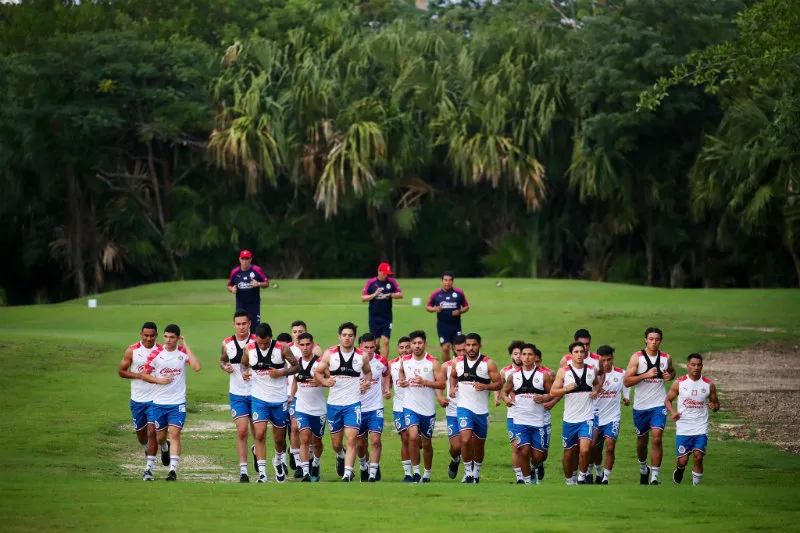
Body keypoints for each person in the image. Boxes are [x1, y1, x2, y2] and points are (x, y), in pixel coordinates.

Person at [239, 322, 300, 483]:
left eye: (265, 343)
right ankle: (262, 474)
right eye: (260, 343)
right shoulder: (249, 349)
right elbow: (243, 366)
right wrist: (244, 373)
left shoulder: (282, 348)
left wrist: (282, 372)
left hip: (279, 399)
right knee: (259, 434)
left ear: (271, 338)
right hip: (259, 398)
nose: (263, 346)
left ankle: (278, 461)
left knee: (279, 439)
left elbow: (297, 367)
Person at [314, 322, 372, 482]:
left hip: (353, 404)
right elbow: (318, 373)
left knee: (351, 439)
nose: (347, 338)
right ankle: (340, 455)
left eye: (350, 335)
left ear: (354, 337)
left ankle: (347, 474)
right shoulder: (330, 354)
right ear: (339, 336)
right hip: (334, 404)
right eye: (344, 335)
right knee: (336, 443)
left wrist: (366, 382)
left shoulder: (362, 356)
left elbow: (368, 372)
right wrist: (325, 382)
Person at [144, 324, 202, 481]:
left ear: (177, 338)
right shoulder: (156, 353)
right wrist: (158, 380)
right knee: (160, 437)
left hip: (177, 403)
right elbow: (144, 374)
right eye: (166, 336)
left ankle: (172, 471)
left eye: (172, 337)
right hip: (159, 402)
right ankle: (164, 447)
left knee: (175, 433)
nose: (168, 340)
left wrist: (186, 346)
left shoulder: (182, 353)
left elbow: (197, 367)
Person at [118, 322, 172, 481]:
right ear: (141, 334)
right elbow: (121, 371)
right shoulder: (132, 350)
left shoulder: (162, 351)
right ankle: (164, 446)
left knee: (152, 432)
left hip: (156, 399)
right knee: (142, 438)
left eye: (152, 336)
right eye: (146, 335)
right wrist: (139, 375)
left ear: (156, 335)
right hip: (137, 400)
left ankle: (148, 469)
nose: (149, 339)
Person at [623, 327, 675, 485]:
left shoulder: (666, 357)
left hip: (659, 405)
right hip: (641, 407)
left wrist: (670, 376)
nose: (654, 342)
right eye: (651, 339)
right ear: (645, 339)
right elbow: (627, 381)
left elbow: (672, 372)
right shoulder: (637, 358)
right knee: (642, 441)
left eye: (657, 339)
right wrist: (645, 375)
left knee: (657, 438)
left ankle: (654, 478)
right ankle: (643, 467)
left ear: (661, 340)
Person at [451, 332, 503, 483]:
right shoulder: (457, 362)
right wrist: (452, 388)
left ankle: (476, 473)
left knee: (479, 444)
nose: (471, 348)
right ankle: (468, 473)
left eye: (474, 345)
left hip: (481, 411)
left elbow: (499, 383)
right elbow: (453, 376)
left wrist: (485, 386)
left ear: (480, 346)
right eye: (468, 345)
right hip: (463, 408)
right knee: (465, 440)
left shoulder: (488, 363)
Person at [549, 341, 601, 485]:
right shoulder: (563, 371)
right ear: (571, 355)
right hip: (570, 419)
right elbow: (553, 392)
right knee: (568, 453)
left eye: (581, 352)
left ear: (585, 354)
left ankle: (581, 478)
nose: (579, 354)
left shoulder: (592, 370)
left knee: (585, 450)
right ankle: (569, 481)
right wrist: (566, 389)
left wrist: (596, 392)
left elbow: (597, 384)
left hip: (587, 418)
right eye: (576, 352)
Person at [501, 343, 553, 484]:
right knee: (523, 451)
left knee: (538, 456)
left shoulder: (544, 376)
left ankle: (533, 467)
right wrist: (506, 399)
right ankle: (527, 481)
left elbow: (552, 393)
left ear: (535, 357)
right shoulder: (513, 376)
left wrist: (545, 398)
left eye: (530, 354)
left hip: (538, 421)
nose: (526, 357)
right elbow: (504, 391)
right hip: (520, 420)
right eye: (524, 354)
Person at [666, 353, 719, 486]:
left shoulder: (708, 385)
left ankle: (696, 488)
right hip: (683, 427)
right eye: (693, 365)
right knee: (683, 461)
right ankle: (680, 469)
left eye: (698, 365)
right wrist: (673, 412)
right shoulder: (679, 383)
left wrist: (714, 406)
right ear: (687, 366)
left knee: (698, 456)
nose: (696, 368)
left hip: (701, 426)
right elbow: (667, 400)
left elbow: (716, 404)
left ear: (702, 366)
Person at [398, 330, 444, 482]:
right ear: (410, 344)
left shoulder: (432, 362)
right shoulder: (405, 360)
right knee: (412, 438)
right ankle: (416, 472)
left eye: (420, 343)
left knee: (426, 443)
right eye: (414, 343)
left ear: (425, 344)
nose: (417, 346)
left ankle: (427, 474)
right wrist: (402, 381)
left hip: (427, 409)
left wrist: (425, 382)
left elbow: (441, 383)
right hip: (410, 406)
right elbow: (401, 372)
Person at [219, 310, 257, 482]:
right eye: (238, 324)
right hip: (237, 394)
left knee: (259, 433)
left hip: (257, 393)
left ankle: (257, 451)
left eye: (244, 324)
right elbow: (222, 360)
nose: (241, 327)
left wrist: (251, 370)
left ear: (249, 324)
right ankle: (243, 471)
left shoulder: (257, 342)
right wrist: (225, 367)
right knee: (242, 431)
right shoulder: (227, 343)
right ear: (234, 325)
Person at [286, 320, 323, 479]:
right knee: (300, 432)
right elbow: (292, 377)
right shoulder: (289, 352)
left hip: (317, 404)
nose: (297, 334)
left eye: (300, 331)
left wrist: (321, 381)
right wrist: (291, 395)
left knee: (316, 440)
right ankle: (302, 468)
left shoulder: (318, 356)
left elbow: (328, 377)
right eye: (295, 332)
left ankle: (315, 461)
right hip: (297, 400)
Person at [593, 345, 630, 484]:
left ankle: (606, 478)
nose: (606, 363)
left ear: (613, 358)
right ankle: (598, 472)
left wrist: (626, 397)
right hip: (595, 417)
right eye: (603, 360)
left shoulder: (621, 373)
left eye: (609, 359)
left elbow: (626, 385)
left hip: (613, 417)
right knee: (595, 448)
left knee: (610, 447)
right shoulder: (593, 374)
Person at [355, 333, 390, 482]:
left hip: (376, 408)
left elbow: (386, 374)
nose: (369, 350)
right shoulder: (354, 362)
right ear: (360, 347)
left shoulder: (381, 361)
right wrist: (358, 388)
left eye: (372, 347)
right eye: (366, 347)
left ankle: (373, 473)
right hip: (356, 408)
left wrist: (386, 388)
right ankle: (364, 465)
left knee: (375, 441)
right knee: (360, 445)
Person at [437, 334, 467, 480]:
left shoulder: (477, 365)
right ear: (454, 349)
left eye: (464, 350)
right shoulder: (446, 366)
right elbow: (440, 384)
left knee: (468, 443)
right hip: (453, 411)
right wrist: (440, 397)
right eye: (458, 350)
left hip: (471, 410)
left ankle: (469, 474)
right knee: (456, 447)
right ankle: (455, 460)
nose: (461, 353)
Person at [361, 263, 403, 358]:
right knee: (375, 344)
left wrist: (389, 295)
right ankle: (375, 359)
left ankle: (383, 363)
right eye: (384, 273)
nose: (386, 275)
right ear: (379, 271)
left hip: (387, 317)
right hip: (374, 317)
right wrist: (375, 294)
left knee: (386, 341)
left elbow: (400, 294)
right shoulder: (371, 282)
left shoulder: (391, 282)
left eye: (387, 273)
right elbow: (363, 298)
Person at [426, 272, 469, 362]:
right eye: (445, 280)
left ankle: (460, 367)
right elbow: (428, 307)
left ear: (452, 281)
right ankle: (447, 367)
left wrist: (460, 311)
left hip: (456, 326)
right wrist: (435, 309)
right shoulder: (436, 294)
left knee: (458, 348)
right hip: (442, 327)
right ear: (442, 281)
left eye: (450, 280)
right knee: (445, 348)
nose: (447, 282)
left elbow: (466, 307)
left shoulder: (459, 293)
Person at [497, 340, 524, 482]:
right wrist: (498, 398)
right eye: (515, 353)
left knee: (529, 448)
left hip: (531, 415)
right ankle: (519, 478)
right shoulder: (505, 371)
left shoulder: (532, 372)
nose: (518, 356)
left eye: (521, 353)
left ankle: (533, 469)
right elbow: (499, 386)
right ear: (511, 355)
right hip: (513, 414)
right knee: (516, 446)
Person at [389, 336, 413, 480]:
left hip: (416, 406)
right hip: (399, 406)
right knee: (405, 438)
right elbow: (387, 381)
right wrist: (386, 390)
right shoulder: (392, 364)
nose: (404, 350)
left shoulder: (416, 363)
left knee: (416, 441)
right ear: (398, 349)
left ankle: (417, 469)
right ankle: (408, 473)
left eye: (407, 347)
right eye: (402, 347)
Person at [226, 250, 268, 334]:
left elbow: (266, 283)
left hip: (254, 304)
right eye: (243, 259)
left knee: (255, 329)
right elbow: (229, 285)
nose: (244, 261)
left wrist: (258, 284)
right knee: (241, 328)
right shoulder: (235, 272)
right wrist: (232, 289)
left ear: (250, 259)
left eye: (247, 259)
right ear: (239, 259)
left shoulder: (257, 270)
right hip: (240, 304)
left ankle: (254, 342)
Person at [532, 347, 554, 482]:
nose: (534, 364)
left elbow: (557, 392)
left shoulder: (549, 374)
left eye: (537, 361)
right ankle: (530, 475)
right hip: (527, 418)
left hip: (544, 418)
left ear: (540, 360)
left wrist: (551, 401)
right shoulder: (521, 374)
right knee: (527, 449)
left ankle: (539, 464)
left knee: (543, 453)